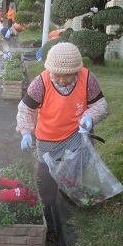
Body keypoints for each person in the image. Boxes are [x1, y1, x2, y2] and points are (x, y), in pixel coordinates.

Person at [16, 42, 108, 206]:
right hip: (48, 135)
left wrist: (90, 117)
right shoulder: (41, 82)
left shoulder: (87, 78)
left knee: (75, 167)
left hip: (76, 132)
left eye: (67, 75)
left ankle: (71, 195)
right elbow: (25, 109)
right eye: (57, 75)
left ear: (77, 71)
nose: (61, 80)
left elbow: (100, 105)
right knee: (46, 173)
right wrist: (26, 132)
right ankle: (46, 203)